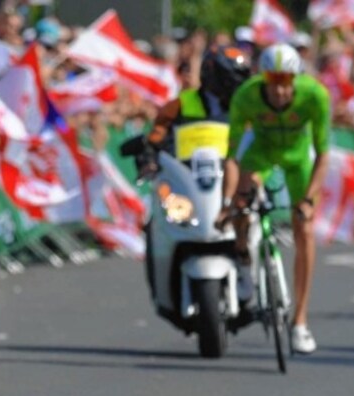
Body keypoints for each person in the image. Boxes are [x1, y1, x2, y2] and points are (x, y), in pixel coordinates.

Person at [120, 45, 253, 327]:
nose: (235, 87)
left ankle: (259, 283)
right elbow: (156, 136)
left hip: (227, 183)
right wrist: (147, 156)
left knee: (256, 215)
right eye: (230, 80)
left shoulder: (245, 107)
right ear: (212, 76)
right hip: (191, 185)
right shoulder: (181, 104)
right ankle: (163, 293)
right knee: (154, 223)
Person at [215, 43, 331, 354]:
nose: (279, 90)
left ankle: (301, 322)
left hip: (297, 160)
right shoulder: (247, 96)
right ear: (264, 79)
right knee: (243, 197)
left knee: (304, 228)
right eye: (273, 81)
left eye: (286, 81)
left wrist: (307, 200)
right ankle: (241, 254)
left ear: (295, 79)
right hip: (261, 154)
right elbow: (231, 157)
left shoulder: (315, 95)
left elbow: (322, 155)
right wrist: (228, 202)